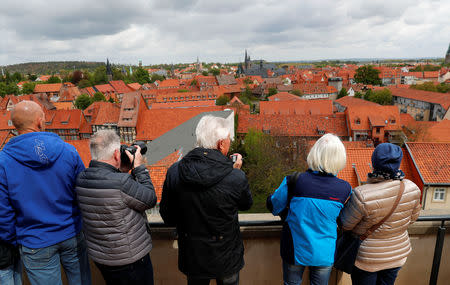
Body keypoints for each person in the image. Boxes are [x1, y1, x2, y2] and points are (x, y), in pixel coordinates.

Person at [0, 100, 91, 285]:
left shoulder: (3, 161)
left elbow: (3, 212)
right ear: (40, 121)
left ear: (15, 125)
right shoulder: (68, 150)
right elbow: (83, 191)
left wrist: (15, 238)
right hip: (71, 232)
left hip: (35, 241)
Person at [160, 115, 252, 285]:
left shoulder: (175, 171)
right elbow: (246, 204)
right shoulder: (235, 177)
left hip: (193, 256)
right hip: (226, 256)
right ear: (221, 144)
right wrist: (235, 172)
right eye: (229, 139)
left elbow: (168, 216)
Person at [267, 133, 352, 285]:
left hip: (294, 248)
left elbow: (274, 206)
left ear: (314, 153)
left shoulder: (294, 180)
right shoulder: (345, 189)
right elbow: (345, 219)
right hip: (324, 252)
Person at [75, 130, 157, 285]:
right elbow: (150, 199)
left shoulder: (81, 178)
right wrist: (139, 167)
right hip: (129, 259)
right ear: (116, 154)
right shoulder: (121, 183)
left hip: (102, 257)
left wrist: (122, 170)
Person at [340, 143, 421, 285]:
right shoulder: (412, 188)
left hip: (368, 258)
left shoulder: (362, 194)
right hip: (396, 255)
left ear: (374, 162)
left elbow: (345, 225)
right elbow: (412, 219)